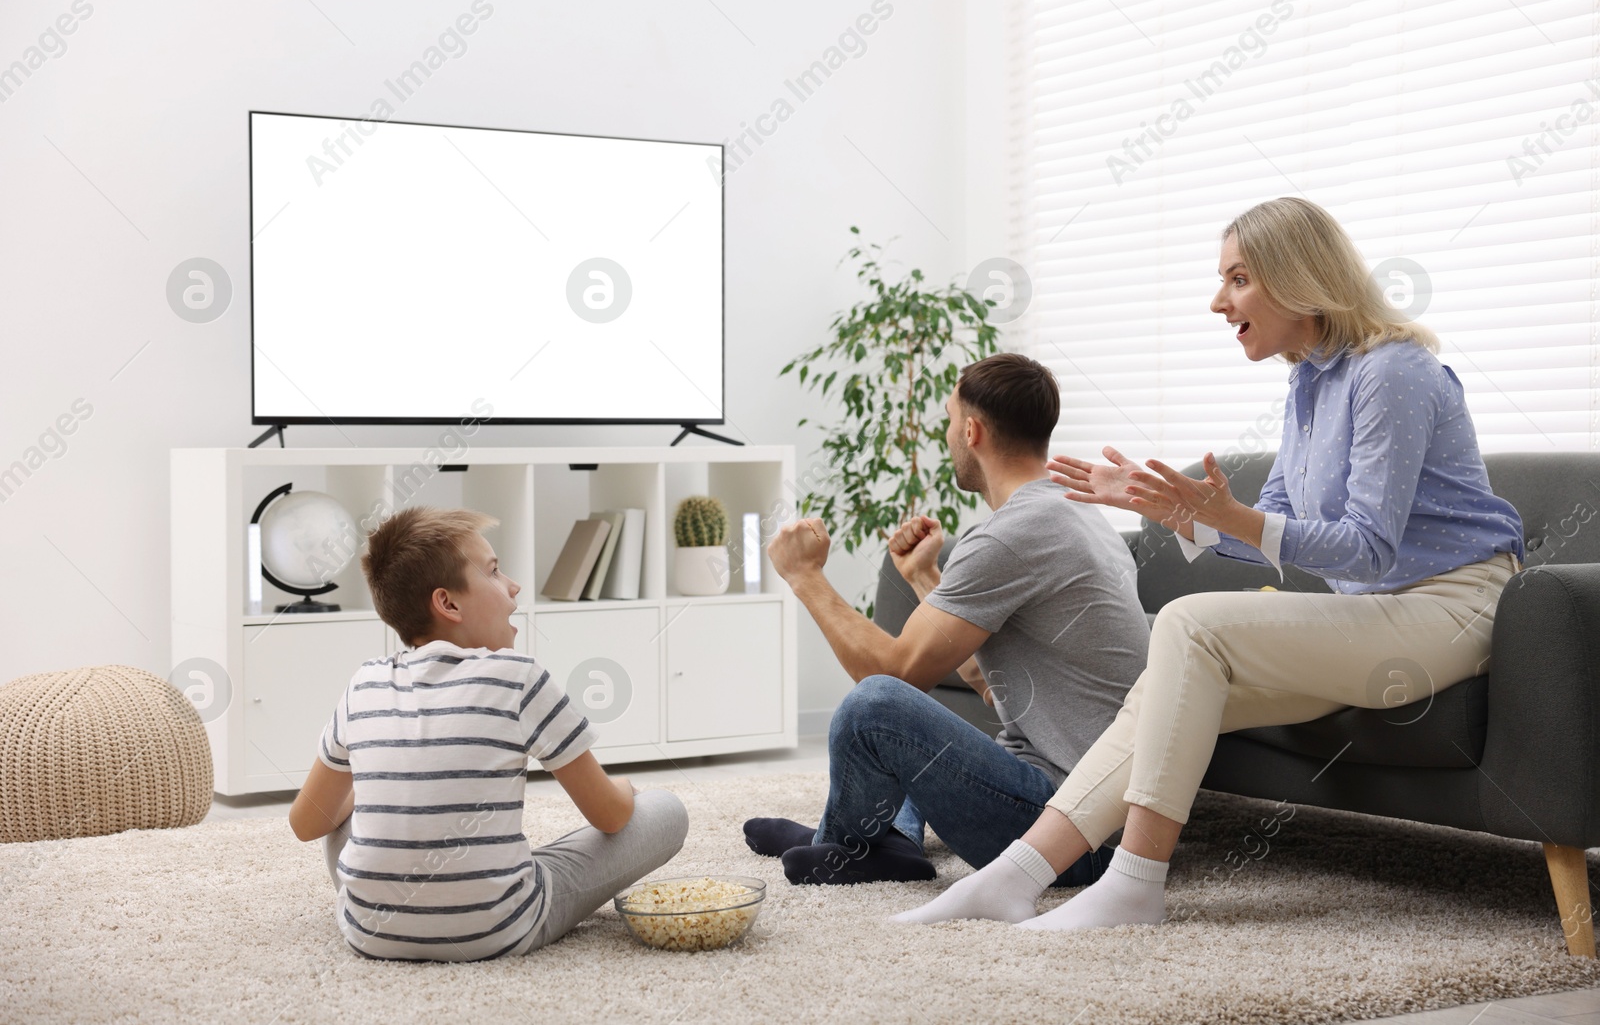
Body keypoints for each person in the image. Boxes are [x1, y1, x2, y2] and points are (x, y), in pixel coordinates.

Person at [892, 196, 1525, 930]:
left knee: (1191, 625)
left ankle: (1134, 883)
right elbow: (1280, 528)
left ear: (1298, 278)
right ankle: (1014, 874)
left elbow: (1368, 545)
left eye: (1238, 278)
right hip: (1382, 609)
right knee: (1172, 677)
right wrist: (1172, 511)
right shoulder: (1310, 384)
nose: (1219, 300)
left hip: (1456, 606)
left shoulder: (1394, 372)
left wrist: (1229, 515)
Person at [750, 352, 1151, 887]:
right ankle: (881, 840)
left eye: (946, 420)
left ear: (972, 430)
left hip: (1072, 837)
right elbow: (995, 685)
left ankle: (843, 843)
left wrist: (804, 576)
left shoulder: (1013, 533)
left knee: (876, 706)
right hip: (1101, 819)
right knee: (913, 720)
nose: (946, 436)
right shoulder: (1072, 513)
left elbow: (891, 672)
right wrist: (923, 577)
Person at [287, 506, 688, 961]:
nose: (514, 587)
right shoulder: (519, 676)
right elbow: (611, 817)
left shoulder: (364, 682)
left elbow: (307, 823)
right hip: (500, 927)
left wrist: (386, 782)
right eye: (495, 572)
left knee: (339, 818)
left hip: (369, 929)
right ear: (448, 603)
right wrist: (626, 788)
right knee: (667, 811)